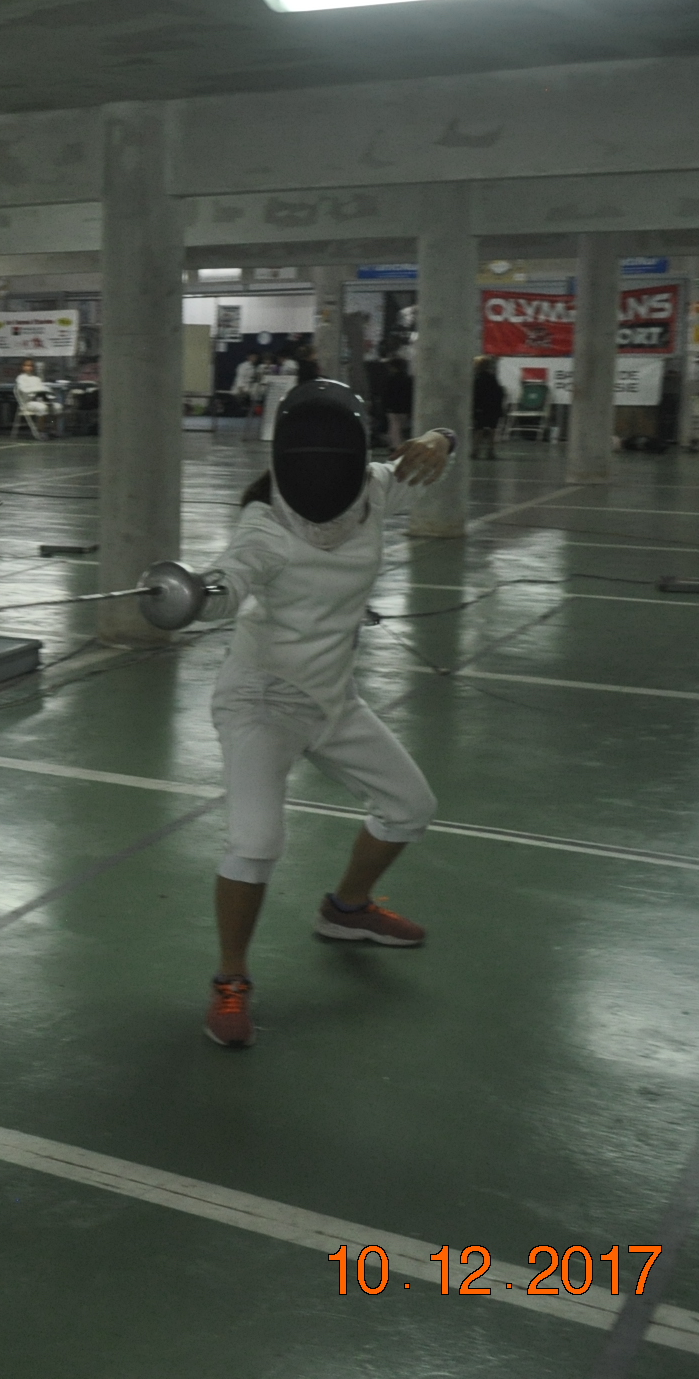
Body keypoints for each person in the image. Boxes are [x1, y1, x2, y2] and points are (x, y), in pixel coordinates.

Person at [189, 379, 454, 1049]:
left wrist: (440, 437)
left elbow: (428, 458)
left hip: (333, 696)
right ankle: (231, 980)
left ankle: (347, 910)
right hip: (262, 701)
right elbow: (230, 581)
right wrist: (195, 593)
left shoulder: (375, 488)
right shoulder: (264, 525)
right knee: (254, 843)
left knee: (409, 806)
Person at [14, 358, 61, 439]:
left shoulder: (37, 379)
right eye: (27, 365)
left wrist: (48, 394)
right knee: (42, 407)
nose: (29, 367)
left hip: (39, 400)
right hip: (27, 403)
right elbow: (24, 390)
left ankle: (53, 429)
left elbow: (43, 389)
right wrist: (39, 389)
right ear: (23, 367)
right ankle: (41, 431)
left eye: (31, 366)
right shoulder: (21, 378)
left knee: (57, 407)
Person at [471, 355, 506, 460]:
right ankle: (490, 451)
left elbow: (476, 395)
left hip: (481, 408)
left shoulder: (478, 379)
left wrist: (474, 408)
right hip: (493, 408)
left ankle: (475, 451)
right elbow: (500, 393)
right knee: (492, 430)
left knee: (479, 430)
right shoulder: (493, 378)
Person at [381, 358, 414, 447]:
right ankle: (400, 444)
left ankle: (396, 446)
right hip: (404, 408)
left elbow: (386, 394)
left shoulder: (391, 379)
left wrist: (385, 406)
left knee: (394, 427)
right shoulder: (408, 379)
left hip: (393, 408)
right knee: (400, 428)